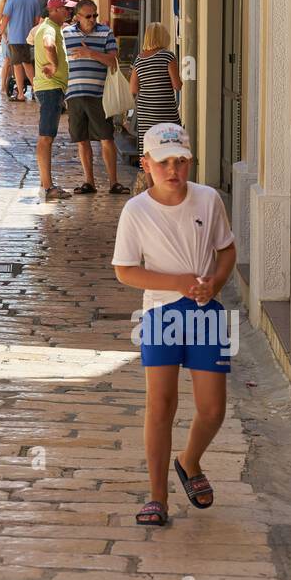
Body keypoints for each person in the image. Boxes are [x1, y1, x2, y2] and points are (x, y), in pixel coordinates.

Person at [112, 122, 237, 527]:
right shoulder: (137, 211)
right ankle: (157, 496)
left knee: (213, 409)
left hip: (206, 313)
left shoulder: (208, 199)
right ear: (146, 164)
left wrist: (214, 283)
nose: (173, 170)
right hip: (160, 315)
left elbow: (227, 249)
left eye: (181, 161)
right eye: (164, 162)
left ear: (190, 162)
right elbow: (126, 271)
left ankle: (190, 460)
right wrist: (178, 283)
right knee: (161, 404)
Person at [64, 0, 129, 195]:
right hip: (74, 93)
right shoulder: (66, 34)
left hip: (99, 94)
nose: (92, 19)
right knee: (81, 139)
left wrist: (90, 53)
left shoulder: (105, 33)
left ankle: (113, 182)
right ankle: (88, 182)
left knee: (106, 138)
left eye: (95, 15)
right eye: (88, 16)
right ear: (77, 16)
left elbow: (113, 61)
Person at [32, 0, 76, 199]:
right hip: (50, 87)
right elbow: (49, 44)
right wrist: (55, 64)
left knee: (47, 137)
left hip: (52, 87)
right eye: (66, 8)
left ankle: (45, 183)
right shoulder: (49, 28)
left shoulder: (52, 27)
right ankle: (48, 187)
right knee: (46, 138)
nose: (69, 12)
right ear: (56, 10)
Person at [130, 23, 182, 187]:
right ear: (163, 37)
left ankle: (151, 187)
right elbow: (177, 85)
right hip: (164, 110)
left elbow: (133, 88)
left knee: (148, 149)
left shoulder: (139, 59)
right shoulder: (168, 56)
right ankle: (168, 183)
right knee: (170, 146)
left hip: (145, 112)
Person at [0, 0, 40, 103]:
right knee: (26, 63)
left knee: (20, 65)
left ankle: (24, 93)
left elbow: (6, 18)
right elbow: (37, 20)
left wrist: (0, 33)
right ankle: (31, 91)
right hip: (29, 37)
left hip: (15, 37)